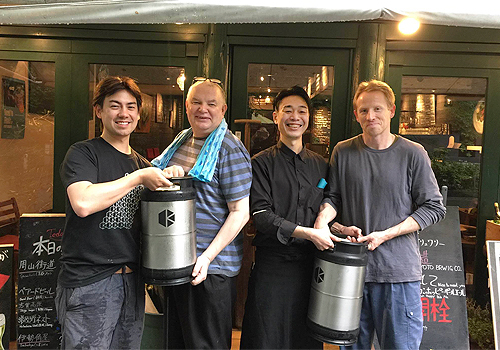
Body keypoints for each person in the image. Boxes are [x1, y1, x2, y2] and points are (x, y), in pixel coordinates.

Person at [315, 80, 446, 350]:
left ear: (391, 111)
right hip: (350, 271)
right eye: (364, 110)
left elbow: (434, 206)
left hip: (397, 274)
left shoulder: (413, 153)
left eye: (377, 109)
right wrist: (324, 221)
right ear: (356, 115)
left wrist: (387, 234)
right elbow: (333, 197)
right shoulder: (343, 151)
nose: (370, 116)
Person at [56, 76, 180, 349]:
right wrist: (138, 178)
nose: (124, 113)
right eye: (115, 105)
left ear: (138, 113)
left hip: (131, 283)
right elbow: (83, 203)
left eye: (131, 106)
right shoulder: (83, 153)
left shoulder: (142, 164)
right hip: (90, 281)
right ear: (99, 111)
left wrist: (169, 180)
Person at [240, 86, 359, 349]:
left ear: (309, 118)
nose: (295, 117)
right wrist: (309, 233)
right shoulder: (260, 163)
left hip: (311, 268)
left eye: (302, 111)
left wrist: (339, 229)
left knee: (304, 339)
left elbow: (322, 213)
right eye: (288, 111)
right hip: (273, 267)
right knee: (265, 337)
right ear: (275, 117)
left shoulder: (322, 165)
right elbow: (261, 216)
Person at [151, 77, 252, 349]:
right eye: (196, 102)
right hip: (179, 262)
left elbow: (241, 212)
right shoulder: (181, 141)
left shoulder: (229, 148)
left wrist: (207, 258)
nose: (202, 109)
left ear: (223, 109)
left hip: (211, 270)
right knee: (179, 343)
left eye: (211, 103)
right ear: (186, 106)